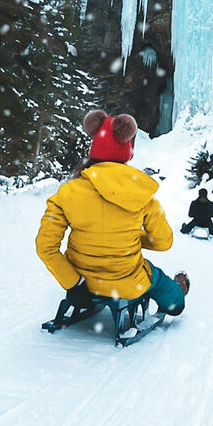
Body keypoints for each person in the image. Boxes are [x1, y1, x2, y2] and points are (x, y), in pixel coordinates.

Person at [36, 109, 190, 315]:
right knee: (158, 279)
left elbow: (45, 247)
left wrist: (73, 283)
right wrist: (131, 235)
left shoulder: (66, 192)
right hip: (127, 282)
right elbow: (164, 242)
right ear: (126, 151)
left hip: (83, 281)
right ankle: (176, 298)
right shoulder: (142, 193)